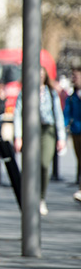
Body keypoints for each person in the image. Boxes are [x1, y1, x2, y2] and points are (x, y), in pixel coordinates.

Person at [14, 66, 67, 215]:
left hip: (47, 130)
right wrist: (18, 137)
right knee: (29, 166)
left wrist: (61, 137)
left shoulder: (51, 93)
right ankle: (30, 197)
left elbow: (58, 115)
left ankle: (41, 198)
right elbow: (17, 114)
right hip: (30, 130)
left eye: (42, 75)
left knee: (44, 164)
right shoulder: (25, 92)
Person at [64, 67, 81, 203]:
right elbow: (67, 113)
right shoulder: (72, 96)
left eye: (76, 76)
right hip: (76, 131)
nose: (74, 79)